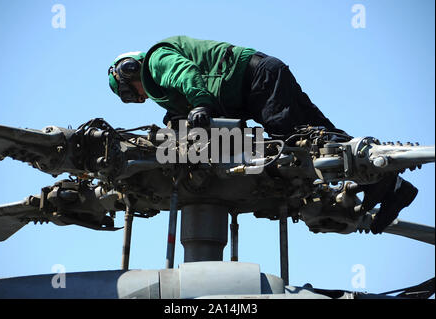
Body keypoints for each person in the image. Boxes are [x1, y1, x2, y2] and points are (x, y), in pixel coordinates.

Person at [107, 35, 418, 234]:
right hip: (263, 78)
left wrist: (200, 104)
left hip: (256, 78)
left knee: (297, 143)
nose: (137, 96)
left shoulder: (156, 62)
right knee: (320, 137)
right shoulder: (164, 94)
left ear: (131, 69)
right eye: (129, 97)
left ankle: (379, 176)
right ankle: (390, 182)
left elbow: (185, 74)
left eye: (128, 89)